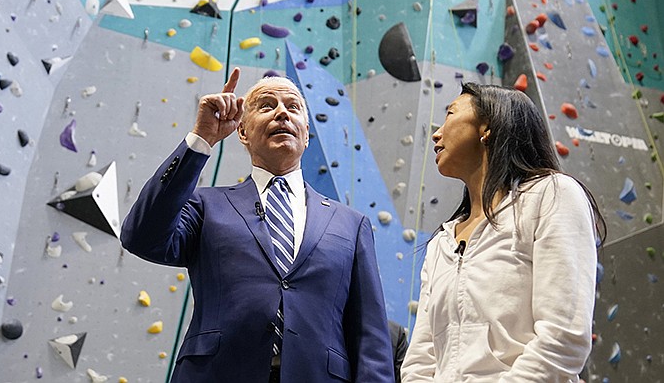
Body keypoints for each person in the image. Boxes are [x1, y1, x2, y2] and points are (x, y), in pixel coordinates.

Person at [121, 68, 394, 383]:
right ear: (242, 131)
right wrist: (201, 139)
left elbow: (370, 334)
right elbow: (141, 236)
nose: (281, 112)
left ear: (307, 132)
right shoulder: (206, 206)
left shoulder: (351, 224)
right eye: (266, 105)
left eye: (293, 107)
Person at [400, 83, 605, 382]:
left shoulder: (551, 195)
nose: (436, 133)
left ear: (487, 126)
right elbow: (420, 361)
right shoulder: (441, 242)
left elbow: (563, 338)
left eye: (449, 114)